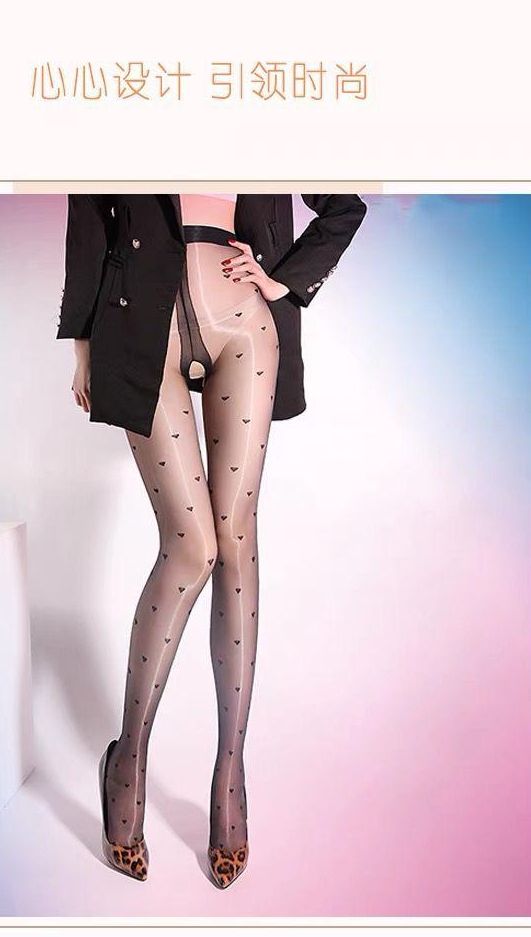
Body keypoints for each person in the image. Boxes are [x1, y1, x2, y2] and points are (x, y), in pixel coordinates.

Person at [57, 192, 367, 887]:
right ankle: (127, 759)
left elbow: (342, 206)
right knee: (192, 544)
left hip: (244, 326)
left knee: (234, 536)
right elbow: (88, 218)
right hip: (139, 322)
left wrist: (283, 279)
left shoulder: (264, 122)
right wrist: (82, 346)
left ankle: (231, 770)